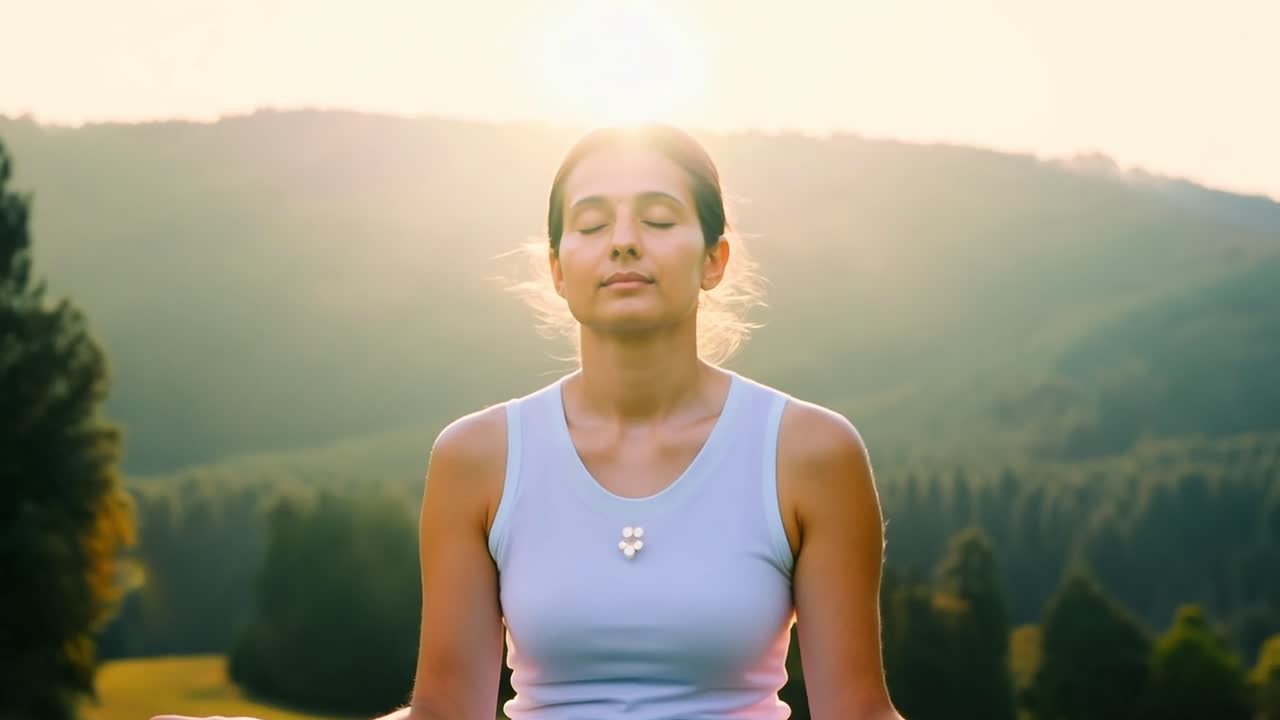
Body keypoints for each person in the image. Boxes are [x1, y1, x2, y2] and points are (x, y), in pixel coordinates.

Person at [152, 124, 904, 720]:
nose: (623, 241)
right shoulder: (477, 459)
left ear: (714, 258)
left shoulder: (809, 453)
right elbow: (447, 715)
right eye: (590, 223)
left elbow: (858, 714)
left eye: (659, 218)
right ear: (556, 267)